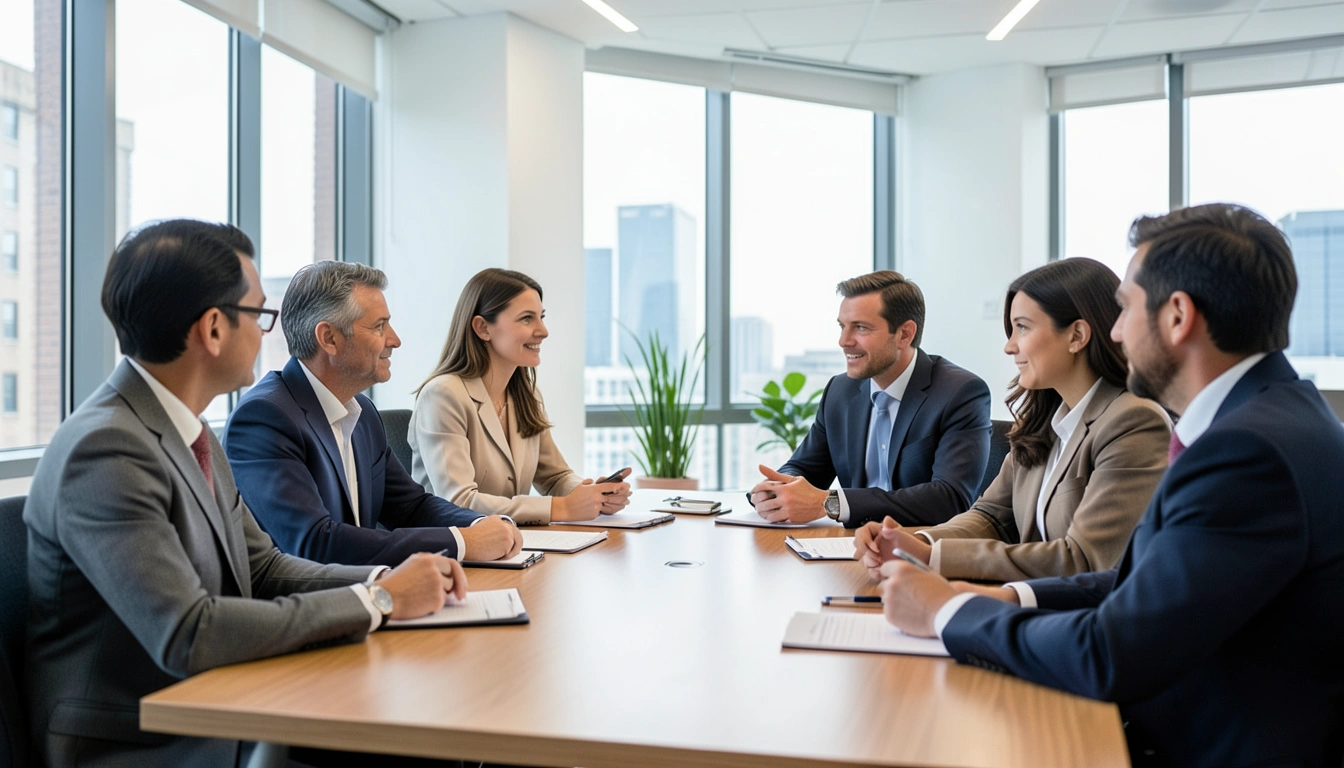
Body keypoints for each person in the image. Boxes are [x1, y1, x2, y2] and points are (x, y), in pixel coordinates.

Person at [878, 204, 1344, 768]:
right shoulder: (1266, 421)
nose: (1117, 332)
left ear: (1177, 316)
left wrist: (945, 616)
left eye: (1125, 309)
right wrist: (1004, 595)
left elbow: (1110, 652)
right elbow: (1138, 582)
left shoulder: (1247, 453)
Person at [24, 220, 464, 767]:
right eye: (258, 315)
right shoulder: (106, 448)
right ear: (213, 328)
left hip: (222, 702)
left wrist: (385, 581)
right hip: (141, 738)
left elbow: (265, 567)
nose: (268, 333)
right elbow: (190, 633)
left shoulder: (193, 431)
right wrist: (379, 601)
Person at [855, 258, 1170, 582]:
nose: (1009, 346)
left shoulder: (1133, 422)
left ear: (1077, 335)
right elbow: (990, 516)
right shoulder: (1044, 421)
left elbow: (1084, 560)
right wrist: (916, 542)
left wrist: (933, 557)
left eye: (1022, 327)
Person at [223, 261, 522, 566]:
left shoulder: (362, 411)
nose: (395, 340)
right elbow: (314, 544)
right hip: (313, 606)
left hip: (369, 594)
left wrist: (483, 525)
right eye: (379, 326)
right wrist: (463, 542)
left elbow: (411, 508)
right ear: (329, 338)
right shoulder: (264, 418)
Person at [749, 270, 991, 527]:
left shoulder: (960, 392)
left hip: (919, 551)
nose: (843, 341)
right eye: (842, 327)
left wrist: (831, 503)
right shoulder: (840, 391)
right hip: (847, 548)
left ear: (905, 334)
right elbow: (804, 469)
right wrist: (777, 489)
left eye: (861, 328)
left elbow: (950, 499)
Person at [409, 268, 631, 524]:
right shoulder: (443, 395)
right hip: (451, 552)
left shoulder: (525, 395)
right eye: (527, 319)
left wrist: (591, 494)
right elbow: (459, 501)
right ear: (483, 328)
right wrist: (562, 509)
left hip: (511, 546)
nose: (543, 330)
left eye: (541, 317)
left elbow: (555, 477)